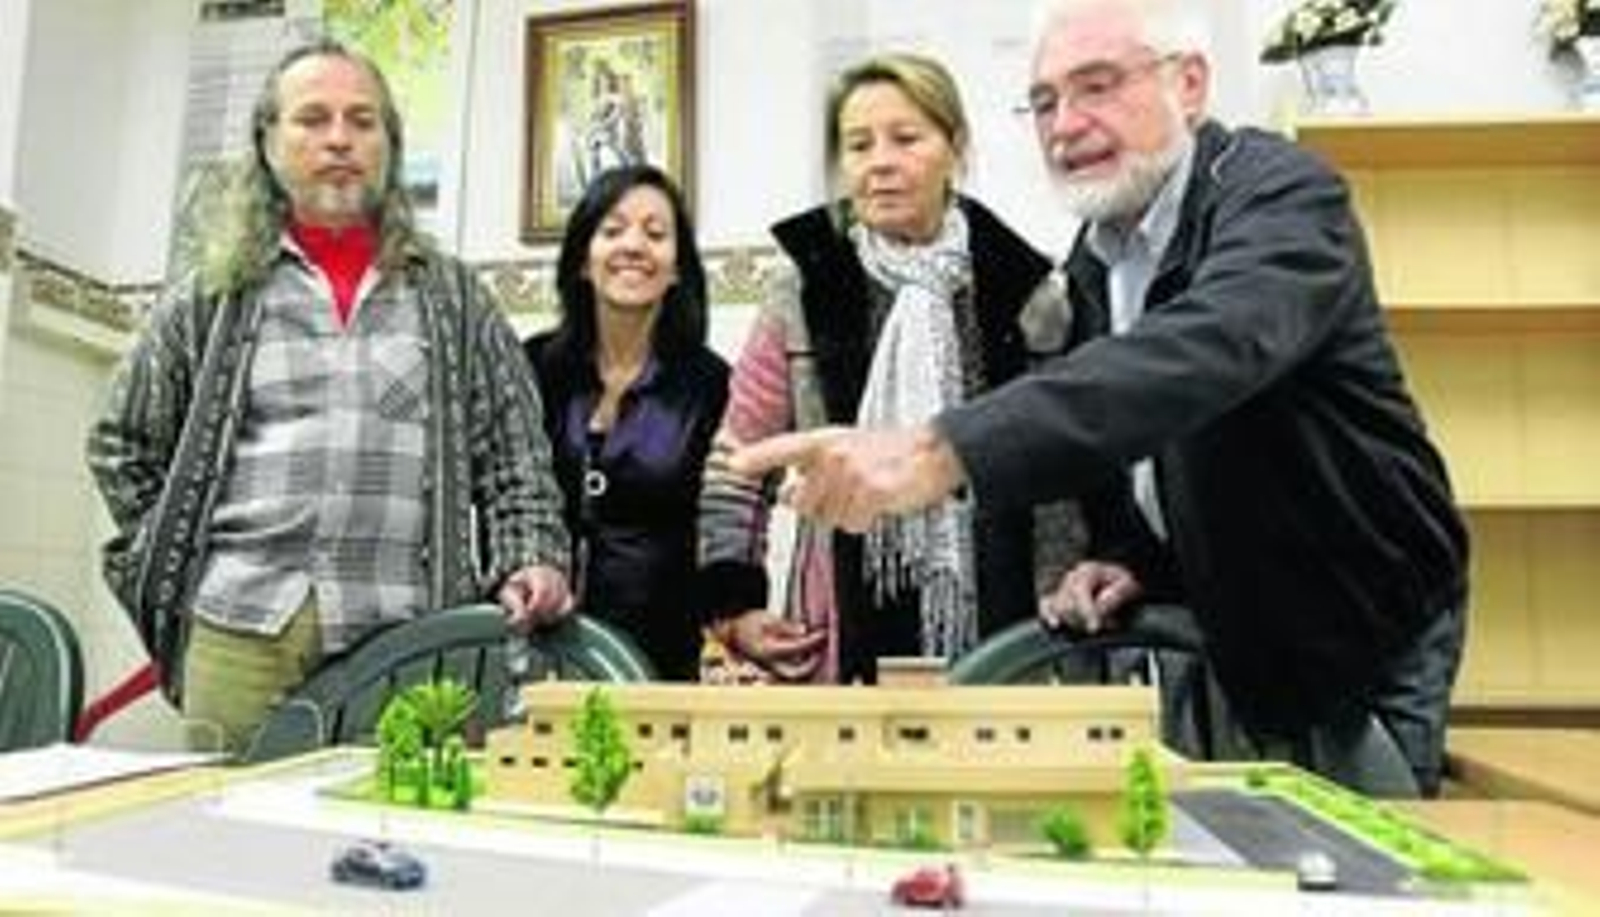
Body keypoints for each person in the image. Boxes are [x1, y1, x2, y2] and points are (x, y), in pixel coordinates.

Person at [732, 0, 1468, 798]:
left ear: (1189, 84)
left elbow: (1204, 352)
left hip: (1355, 621)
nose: (1065, 123)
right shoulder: (1095, 259)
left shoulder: (1282, 195)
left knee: (1369, 865)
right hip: (1217, 626)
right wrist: (1127, 559)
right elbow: (1145, 452)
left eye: (1097, 86)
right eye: (1045, 101)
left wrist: (938, 448)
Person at [85, 40, 572, 754]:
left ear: (390, 145)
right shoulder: (211, 293)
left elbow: (516, 458)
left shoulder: (458, 299)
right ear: (269, 143)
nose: (339, 138)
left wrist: (531, 556)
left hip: (413, 637)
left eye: (362, 120)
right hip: (240, 631)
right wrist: (180, 560)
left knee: (403, 837)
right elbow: (121, 441)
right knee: (239, 847)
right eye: (312, 118)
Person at [698, 52, 1081, 685]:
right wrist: (732, 606)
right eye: (858, 145)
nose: (880, 162)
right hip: (841, 621)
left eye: (906, 138)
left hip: (1008, 627)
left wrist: (1059, 591)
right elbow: (737, 460)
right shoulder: (804, 287)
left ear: (954, 147)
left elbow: (1061, 472)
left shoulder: (1028, 289)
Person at [524, 164, 729, 680]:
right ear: (582, 262)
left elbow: (728, 520)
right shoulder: (531, 367)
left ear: (677, 267)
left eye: (656, 234)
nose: (634, 246)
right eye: (612, 231)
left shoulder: (711, 384)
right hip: (531, 643)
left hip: (660, 658)